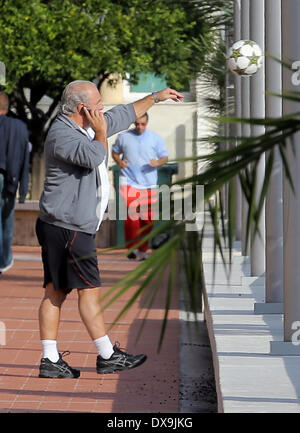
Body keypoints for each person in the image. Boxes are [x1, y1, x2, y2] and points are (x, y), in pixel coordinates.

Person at [36, 80, 183, 378]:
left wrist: (156, 96)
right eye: (99, 105)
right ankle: (106, 355)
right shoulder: (62, 134)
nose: (104, 110)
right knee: (85, 291)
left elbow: (124, 114)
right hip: (68, 227)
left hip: (69, 226)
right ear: (82, 109)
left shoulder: (87, 125)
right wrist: (102, 133)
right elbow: (94, 157)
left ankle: (51, 360)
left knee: (57, 291)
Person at [112, 113, 168, 260]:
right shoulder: (124, 137)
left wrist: (158, 162)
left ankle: (143, 250)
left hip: (149, 184)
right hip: (129, 182)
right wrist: (119, 162)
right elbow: (115, 152)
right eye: (137, 124)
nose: (139, 127)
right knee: (132, 217)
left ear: (147, 123)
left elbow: (165, 157)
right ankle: (132, 248)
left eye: (142, 124)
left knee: (147, 219)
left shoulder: (155, 138)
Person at [0, 92, 30, 273]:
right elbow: (24, 158)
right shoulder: (19, 127)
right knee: (6, 219)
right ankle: (4, 260)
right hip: (10, 178)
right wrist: (23, 188)